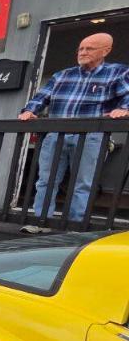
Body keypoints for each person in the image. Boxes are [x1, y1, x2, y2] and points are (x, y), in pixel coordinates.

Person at [19, 33, 129, 232]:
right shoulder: (62, 75)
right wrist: (29, 111)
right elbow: (41, 97)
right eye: (81, 49)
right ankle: (40, 222)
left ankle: (74, 227)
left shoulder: (118, 73)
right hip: (56, 134)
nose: (83, 52)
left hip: (91, 136)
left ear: (106, 50)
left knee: (83, 183)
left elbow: (127, 96)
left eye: (90, 48)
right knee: (46, 180)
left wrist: (124, 109)